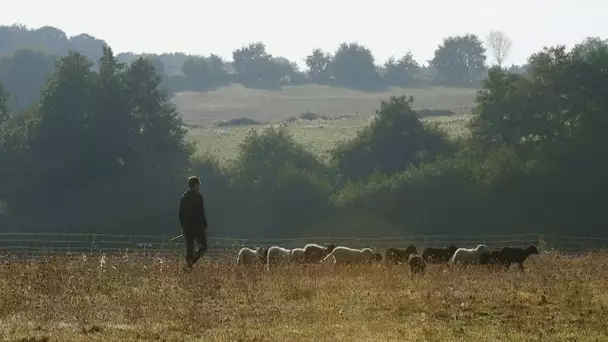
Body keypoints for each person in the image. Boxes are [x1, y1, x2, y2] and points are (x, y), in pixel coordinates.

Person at [178, 176, 208, 270]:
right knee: (203, 246)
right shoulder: (198, 196)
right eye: (198, 185)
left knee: (189, 249)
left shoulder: (183, 196)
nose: (199, 187)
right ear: (195, 185)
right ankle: (191, 262)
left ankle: (189, 265)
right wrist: (204, 224)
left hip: (187, 227)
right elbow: (201, 212)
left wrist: (183, 227)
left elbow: (180, 214)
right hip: (197, 227)